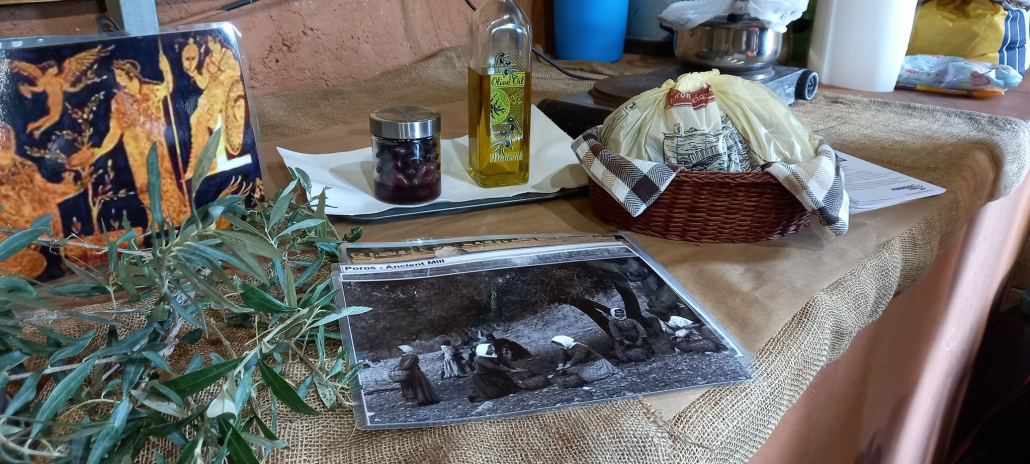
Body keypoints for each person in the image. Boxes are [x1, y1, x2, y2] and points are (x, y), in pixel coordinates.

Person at [551, 336, 619, 382]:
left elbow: (578, 357)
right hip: (582, 363)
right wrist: (560, 366)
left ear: (565, 342)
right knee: (570, 371)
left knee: (589, 376)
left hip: (594, 362)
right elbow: (562, 358)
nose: (560, 346)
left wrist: (567, 366)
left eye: (560, 344)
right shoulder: (564, 348)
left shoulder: (581, 347)